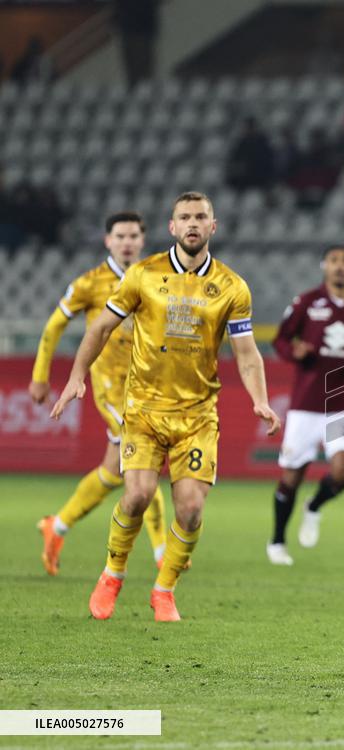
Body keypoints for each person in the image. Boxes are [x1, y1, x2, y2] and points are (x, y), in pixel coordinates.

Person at [51, 192, 281, 622]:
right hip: (143, 408)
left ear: (213, 227)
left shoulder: (232, 287)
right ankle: (112, 574)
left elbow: (247, 353)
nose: (192, 223)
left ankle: (164, 590)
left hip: (197, 415)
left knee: (191, 510)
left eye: (201, 217)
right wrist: (76, 376)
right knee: (136, 495)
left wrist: (260, 401)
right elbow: (100, 327)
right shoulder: (143, 275)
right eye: (184, 217)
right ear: (172, 227)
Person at [32, 213, 167, 576]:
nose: (127, 242)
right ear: (107, 241)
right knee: (144, 460)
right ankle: (162, 553)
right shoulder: (90, 283)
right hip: (109, 388)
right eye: (120, 235)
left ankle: (56, 526)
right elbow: (54, 325)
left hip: (146, 387)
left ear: (142, 240)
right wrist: (40, 376)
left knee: (112, 473)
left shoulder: (155, 278)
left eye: (133, 236)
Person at [266, 244, 344, 565]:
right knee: (291, 477)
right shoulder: (306, 302)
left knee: (343, 474)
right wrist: (294, 352)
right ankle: (277, 540)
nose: (340, 267)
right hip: (306, 405)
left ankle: (314, 506)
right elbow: (280, 339)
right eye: (334, 261)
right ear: (324, 266)